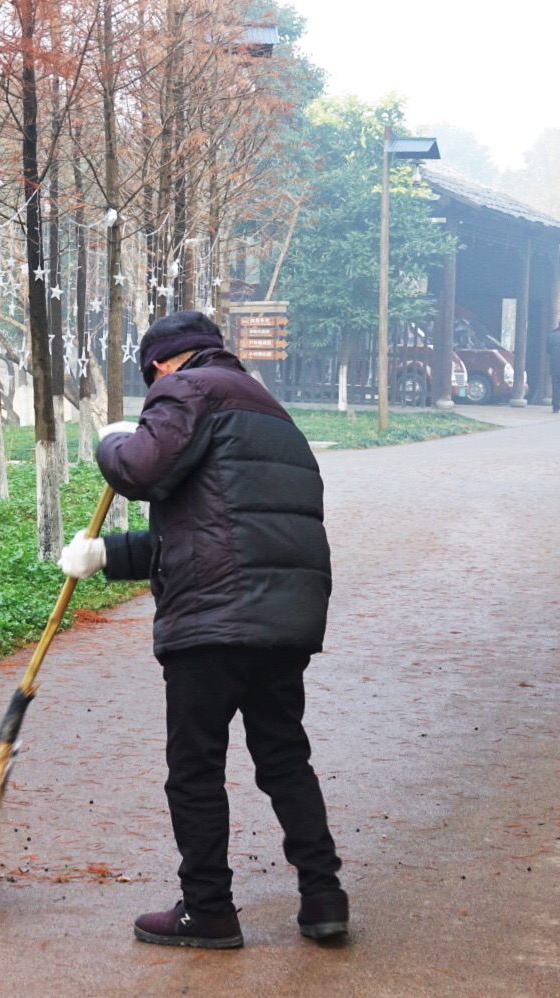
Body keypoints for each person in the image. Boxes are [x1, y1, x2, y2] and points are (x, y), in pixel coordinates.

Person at [58, 310, 346, 950]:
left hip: (214, 621)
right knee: (282, 756)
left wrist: (113, 441)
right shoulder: (271, 411)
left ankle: (208, 911)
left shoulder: (185, 388)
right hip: (283, 617)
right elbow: (211, 526)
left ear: (162, 362)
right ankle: (324, 897)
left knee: (195, 768)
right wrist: (106, 555)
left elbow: (139, 470)